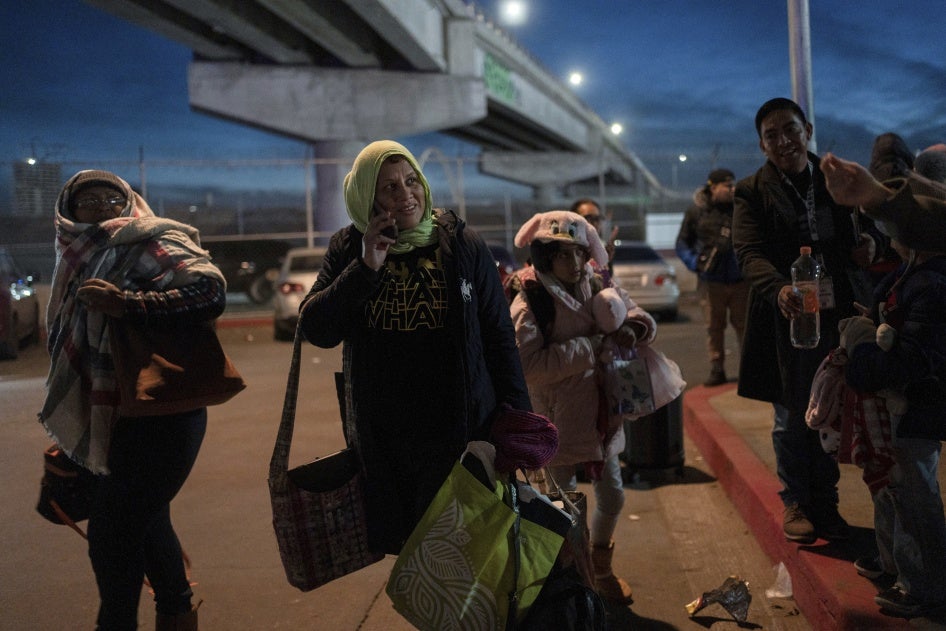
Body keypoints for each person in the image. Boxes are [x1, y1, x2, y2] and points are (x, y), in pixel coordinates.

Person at [298, 140, 532, 555]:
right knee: (415, 553)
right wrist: (366, 266)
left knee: (469, 549)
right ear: (367, 197)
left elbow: (498, 336)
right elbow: (316, 328)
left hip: (459, 429)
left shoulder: (463, 244)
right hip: (385, 437)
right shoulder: (349, 247)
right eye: (389, 187)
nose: (406, 194)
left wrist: (517, 419)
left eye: (411, 181)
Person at [40, 170, 226, 630]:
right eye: (90, 202)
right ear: (69, 213)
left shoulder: (146, 239)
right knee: (147, 520)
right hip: (114, 415)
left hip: (165, 412)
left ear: (128, 203)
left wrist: (129, 303)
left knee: (112, 534)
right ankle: (177, 611)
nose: (103, 208)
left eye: (111, 198)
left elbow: (210, 289)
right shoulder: (75, 256)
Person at [732, 97, 888, 545]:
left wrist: (872, 247)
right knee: (790, 414)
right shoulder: (752, 191)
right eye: (772, 135)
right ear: (762, 145)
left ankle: (827, 503)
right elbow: (748, 252)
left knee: (830, 411)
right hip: (787, 319)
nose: (784, 141)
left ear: (809, 130)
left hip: (838, 314)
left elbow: (876, 225)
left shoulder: (838, 179)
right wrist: (780, 287)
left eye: (790, 130)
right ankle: (796, 500)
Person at [509, 210, 658, 604]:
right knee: (563, 507)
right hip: (557, 423)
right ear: (544, 257)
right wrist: (590, 348)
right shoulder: (531, 300)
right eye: (562, 256)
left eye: (579, 253)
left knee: (613, 497)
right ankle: (575, 584)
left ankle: (601, 568)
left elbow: (634, 310)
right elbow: (529, 366)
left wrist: (635, 326)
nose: (574, 264)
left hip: (603, 416)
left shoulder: (596, 281)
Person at [821, 151, 946, 618]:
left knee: (915, 497)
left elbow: (910, 359)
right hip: (898, 410)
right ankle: (895, 563)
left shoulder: (931, 284)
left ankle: (924, 584)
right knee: (891, 488)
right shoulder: (912, 274)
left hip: (917, 409)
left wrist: (862, 351)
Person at [675, 168, 749, 386]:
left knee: (745, 327)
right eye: (727, 186)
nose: (732, 189)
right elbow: (682, 243)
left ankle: (748, 370)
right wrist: (695, 263)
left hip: (741, 280)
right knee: (714, 328)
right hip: (711, 281)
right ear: (713, 187)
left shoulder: (741, 209)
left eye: (733, 185)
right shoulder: (696, 211)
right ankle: (717, 369)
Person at [571, 198, 617, 275]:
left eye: (597, 219)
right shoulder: (567, 249)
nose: (594, 223)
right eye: (588, 218)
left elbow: (605, 283)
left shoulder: (601, 249)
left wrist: (605, 262)